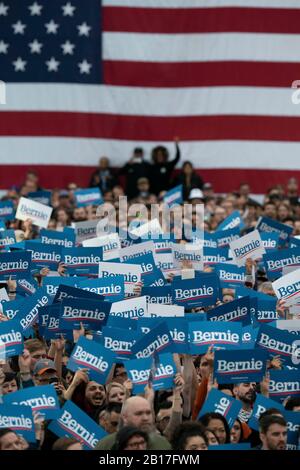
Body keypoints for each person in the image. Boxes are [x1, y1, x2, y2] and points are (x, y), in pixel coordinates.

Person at [94, 396, 172, 450]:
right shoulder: (106, 444)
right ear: (125, 417)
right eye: (139, 414)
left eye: (148, 413)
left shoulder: (162, 443)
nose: (145, 418)